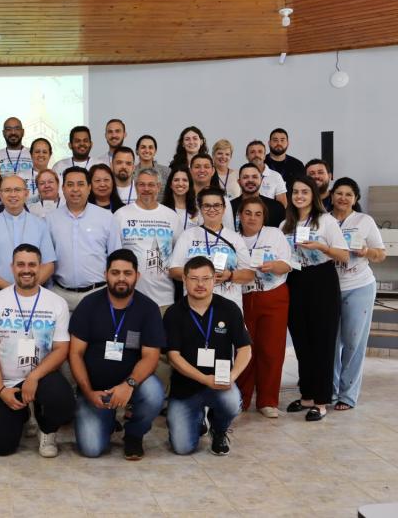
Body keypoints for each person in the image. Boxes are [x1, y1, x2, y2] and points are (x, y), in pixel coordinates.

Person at [69, 249, 166, 460]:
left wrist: (128, 385)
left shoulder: (148, 309)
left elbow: (151, 356)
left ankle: (134, 434)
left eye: (127, 273)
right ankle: (108, 420)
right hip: (94, 390)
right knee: (91, 449)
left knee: (154, 393)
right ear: (106, 274)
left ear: (137, 276)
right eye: (115, 272)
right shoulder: (88, 305)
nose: (121, 278)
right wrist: (87, 392)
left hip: (132, 385)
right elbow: (75, 354)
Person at [0, 244, 74, 457]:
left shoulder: (56, 303)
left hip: (42, 377)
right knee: (1, 448)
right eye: (20, 264)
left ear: (40, 267)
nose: (26, 269)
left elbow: (61, 349)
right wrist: (1, 389)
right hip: (7, 382)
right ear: (12, 267)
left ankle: (47, 429)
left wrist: (34, 376)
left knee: (64, 403)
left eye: (32, 264)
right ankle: (23, 413)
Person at [164, 256, 252, 456]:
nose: (200, 284)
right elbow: (173, 356)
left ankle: (219, 429)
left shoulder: (229, 309)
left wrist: (232, 376)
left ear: (214, 280)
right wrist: (205, 379)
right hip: (185, 388)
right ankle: (196, 419)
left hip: (220, 383)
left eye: (206, 278)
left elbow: (245, 349)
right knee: (182, 448)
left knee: (232, 401)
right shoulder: (174, 313)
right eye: (194, 279)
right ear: (184, 280)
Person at [280, 176, 348, 421]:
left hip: (322, 282)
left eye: (304, 192)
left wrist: (321, 247)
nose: (299, 196)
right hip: (295, 281)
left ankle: (321, 401)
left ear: (313, 195)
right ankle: (307, 395)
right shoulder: (284, 225)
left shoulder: (326, 221)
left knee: (323, 342)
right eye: (295, 192)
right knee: (301, 341)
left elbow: (344, 255)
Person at [330, 178, 386, 410]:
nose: (343, 198)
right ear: (331, 195)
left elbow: (380, 254)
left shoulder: (364, 221)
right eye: (339, 193)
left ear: (356, 199)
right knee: (330, 343)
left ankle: (347, 394)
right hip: (329, 289)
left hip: (359, 286)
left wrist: (365, 251)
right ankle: (329, 391)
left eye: (349, 194)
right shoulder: (323, 219)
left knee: (353, 341)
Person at [235, 197, 292, 417]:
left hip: (273, 296)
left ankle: (268, 400)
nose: (252, 218)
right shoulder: (233, 237)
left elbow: (287, 263)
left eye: (258, 214)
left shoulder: (274, 234)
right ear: (240, 215)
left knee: (271, 350)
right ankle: (242, 397)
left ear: (264, 217)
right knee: (245, 349)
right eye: (248, 213)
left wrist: (275, 266)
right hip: (244, 298)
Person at [47, 166, 122, 311]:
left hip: (97, 293)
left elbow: (115, 257)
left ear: (89, 188)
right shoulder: (51, 220)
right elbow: (47, 259)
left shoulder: (107, 218)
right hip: (61, 295)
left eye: (80, 184)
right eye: (70, 184)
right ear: (63, 189)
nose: (75, 189)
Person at [170, 187, 254, 311]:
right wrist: (200, 276)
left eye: (217, 205)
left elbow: (249, 274)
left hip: (229, 306)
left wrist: (230, 275)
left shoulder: (235, 238)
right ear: (200, 208)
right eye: (207, 206)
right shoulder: (188, 235)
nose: (212, 209)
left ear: (224, 208)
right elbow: (174, 270)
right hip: (195, 306)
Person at [0, 175, 56, 297]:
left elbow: (49, 265)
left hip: (34, 292)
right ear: (0, 195)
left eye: (17, 190)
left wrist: (28, 288)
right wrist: (9, 289)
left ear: (26, 194)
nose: (13, 194)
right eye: (7, 190)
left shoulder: (40, 224)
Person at [114, 169, 181, 309]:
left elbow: (179, 254)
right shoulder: (120, 215)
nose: (146, 189)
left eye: (151, 185)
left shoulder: (171, 216)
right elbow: (113, 255)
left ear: (158, 187)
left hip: (164, 299)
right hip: (129, 298)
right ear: (135, 185)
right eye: (141, 184)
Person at [230, 163, 286, 230]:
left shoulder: (276, 208)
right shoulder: (229, 207)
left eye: (254, 177)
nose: (250, 180)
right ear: (239, 182)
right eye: (245, 177)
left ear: (261, 180)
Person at [189, 154, 235, 229]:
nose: (202, 170)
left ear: (213, 171)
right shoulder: (183, 197)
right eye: (197, 167)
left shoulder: (222, 199)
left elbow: (229, 230)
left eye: (206, 167)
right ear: (190, 171)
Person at [0, 117, 35, 194]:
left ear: (23, 132)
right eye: (8, 129)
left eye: (17, 129)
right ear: (3, 133)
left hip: (33, 203)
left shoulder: (34, 153)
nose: (13, 132)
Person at [244, 140, 288, 207]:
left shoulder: (276, 176)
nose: (256, 155)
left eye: (260, 152)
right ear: (247, 156)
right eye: (252, 152)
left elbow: (282, 205)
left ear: (264, 156)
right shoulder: (240, 175)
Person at [162, 166, 200, 232]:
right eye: (176, 180)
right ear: (170, 184)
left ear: (189, 184)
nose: (180, 183)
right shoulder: (162, 209)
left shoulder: (197, 210)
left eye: (185, 180)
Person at [134, 135, 170, 200]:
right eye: (143, 147)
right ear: (137, 151)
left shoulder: (167, 172)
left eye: (150, 147)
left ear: (155, 151)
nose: (147, 150)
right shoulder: (131, 173)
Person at [27, 137, 54, 205]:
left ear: (50, 155)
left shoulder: (57, 178)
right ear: (31, 154)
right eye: (37, 152)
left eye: (44, 152)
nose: (41, 155)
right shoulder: (19, 177)